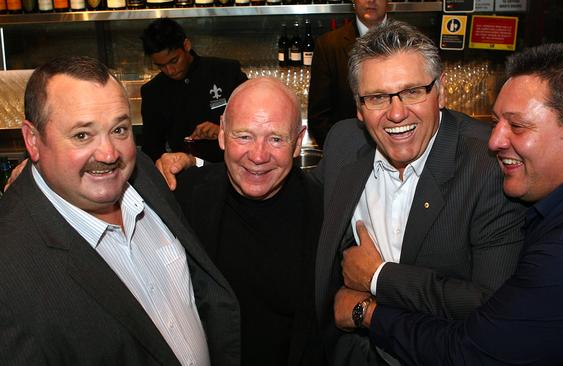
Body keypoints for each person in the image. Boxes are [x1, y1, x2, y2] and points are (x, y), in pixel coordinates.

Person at [348, 43, 563, 365]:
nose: (495, 141)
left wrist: (368, 313)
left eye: (517, 126)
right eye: (497, 122)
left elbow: (470, 353)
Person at [0, 56, 240, 365]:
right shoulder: (9, 267)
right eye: (82, 135)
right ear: (33, 141)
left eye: (119, 129)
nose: (109, 153)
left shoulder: (144, 174)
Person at [312, 20, 527, 365]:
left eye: (413, 91)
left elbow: (492, 305)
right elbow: (300, 211)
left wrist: (378, 279)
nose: (397, 114)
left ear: (440, 91)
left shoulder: (488, 166)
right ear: (358, 107)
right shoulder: (343, 143)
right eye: (378, 97)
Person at [161, 77, 324, 366]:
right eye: (244, 136)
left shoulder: (328, 213)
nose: (258, 155)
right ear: (222, 134)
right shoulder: (182, 197)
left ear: (297, 143)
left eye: (275, 138)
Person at [140, 17, 248, 163]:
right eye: (161, 66)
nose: (170, 71)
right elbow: (151, 150)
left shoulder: (226, 72)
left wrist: (224, 131)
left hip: (230, 168)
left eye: (174, 61)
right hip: (185, 176)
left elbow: (254, 123)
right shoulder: (153, 91)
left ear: (186, 45)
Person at [307, 0, 387, 147]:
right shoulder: (328, 46)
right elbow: (318, 118)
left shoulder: (410, 41)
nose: (371, 0)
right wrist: (342, 156)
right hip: (348, 154)